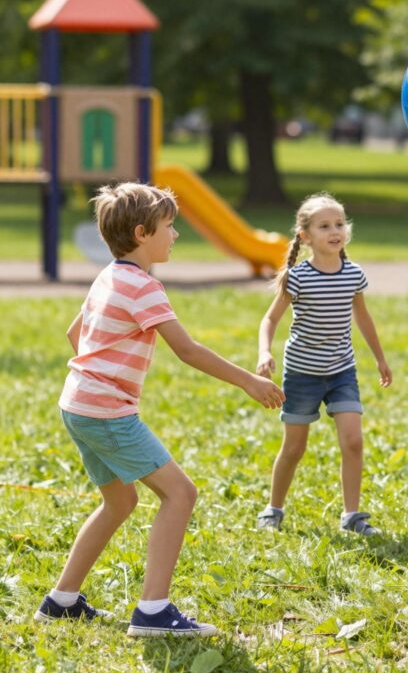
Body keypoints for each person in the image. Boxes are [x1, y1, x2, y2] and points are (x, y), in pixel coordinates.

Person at [36, 182, 284, 637]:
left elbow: (77, 333)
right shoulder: (144, 287)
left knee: (120, 500)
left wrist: (103, 371)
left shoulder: (108, 276)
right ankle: (153, 611)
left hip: (77, 404)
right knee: (180, 494)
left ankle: (61, 601)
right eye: (169, 227)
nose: (175, 235)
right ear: (141, 233)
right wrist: (249, 380)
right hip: (107, 412)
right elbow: (187, 351)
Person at [256, 192, 392, 534]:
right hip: (303, 373)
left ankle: (352, 516)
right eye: (325, 226)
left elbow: (363, 319)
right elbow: (269, 320)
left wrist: (380, 359)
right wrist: (264, 352)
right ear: (306, 236)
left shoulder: (354, 275)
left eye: (339, 224)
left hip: (341, 371)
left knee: (353, 440)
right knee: (294, 447)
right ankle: (273, 509)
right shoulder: (298, 277)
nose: (335, 231)